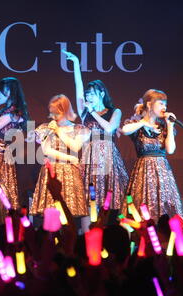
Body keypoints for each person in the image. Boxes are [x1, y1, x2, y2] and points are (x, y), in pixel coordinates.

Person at [63, 50, 128, 211]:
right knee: (91, 195)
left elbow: (110, 128)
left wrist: (92, 112)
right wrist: (76, 65)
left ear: (101, 93)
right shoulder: (85, 112)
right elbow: (78, 87)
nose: (88, 97)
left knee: (113, 193)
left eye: (91, 94)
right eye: (87, 94)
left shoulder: (114, 111)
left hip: (108, 154)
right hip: (90, 154)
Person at [120, 89, 183, 223]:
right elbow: (124, 130)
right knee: (140, 212)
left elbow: (171, 149)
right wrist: (143, 123)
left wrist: (169, 124)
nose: (164, 107)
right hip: (143, 172)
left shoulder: (164, 127)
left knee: (169, 213)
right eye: (161, 103)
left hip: (162, 174)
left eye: (165, 104)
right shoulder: (136, 125)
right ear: (149, 105)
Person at [29, 94, 91, 233]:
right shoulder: (46, 128)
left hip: (70, 175)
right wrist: (70, 159)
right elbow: (46, 149)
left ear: (64, 110)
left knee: (70, 213)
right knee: (52, 213)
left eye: (55, 112)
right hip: (52, 171)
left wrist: (58, 131)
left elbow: (75, 147)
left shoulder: (78, 129)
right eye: (51, 111)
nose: (52, 115)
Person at [0, 77, 30, 209]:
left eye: (0, 91)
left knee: (0, 188)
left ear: (8, 91)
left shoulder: (12, 113)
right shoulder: (9, 110)